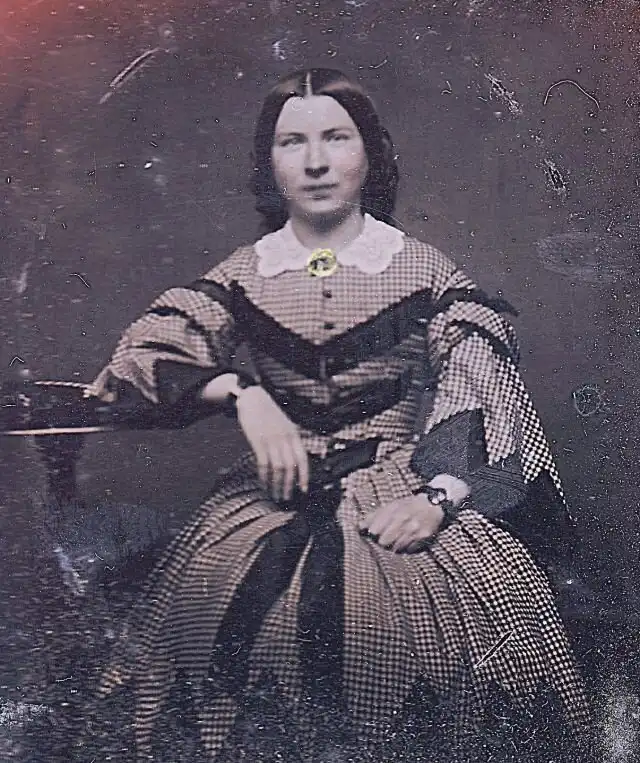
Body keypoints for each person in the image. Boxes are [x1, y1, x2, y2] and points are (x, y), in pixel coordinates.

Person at [79, 68, 591, 762]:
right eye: (292, 142)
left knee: (413, 652)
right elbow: (143, 358)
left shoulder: (423, 271)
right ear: (269, 162)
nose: (316, 162)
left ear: (370, 153)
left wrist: (438, 498)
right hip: (263, 506)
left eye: (336, 137)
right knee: (207, 640)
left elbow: (484, 388)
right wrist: (243, 393)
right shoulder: (244, 274)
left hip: (403, 496)